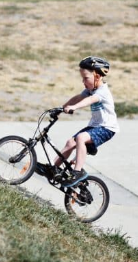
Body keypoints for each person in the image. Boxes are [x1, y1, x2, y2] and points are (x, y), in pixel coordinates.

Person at [36, 56, 120, 187]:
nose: (83, 81)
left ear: (97, 76)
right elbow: (79, 97)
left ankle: (78, 172)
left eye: (86, 78)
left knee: (80, 138)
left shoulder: (102, 92)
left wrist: (74, 107)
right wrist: (62, 108)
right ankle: (53, 168)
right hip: (95, 126)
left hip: (107, 128)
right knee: (70, 143)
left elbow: (88, 100)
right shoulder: (90, 90)